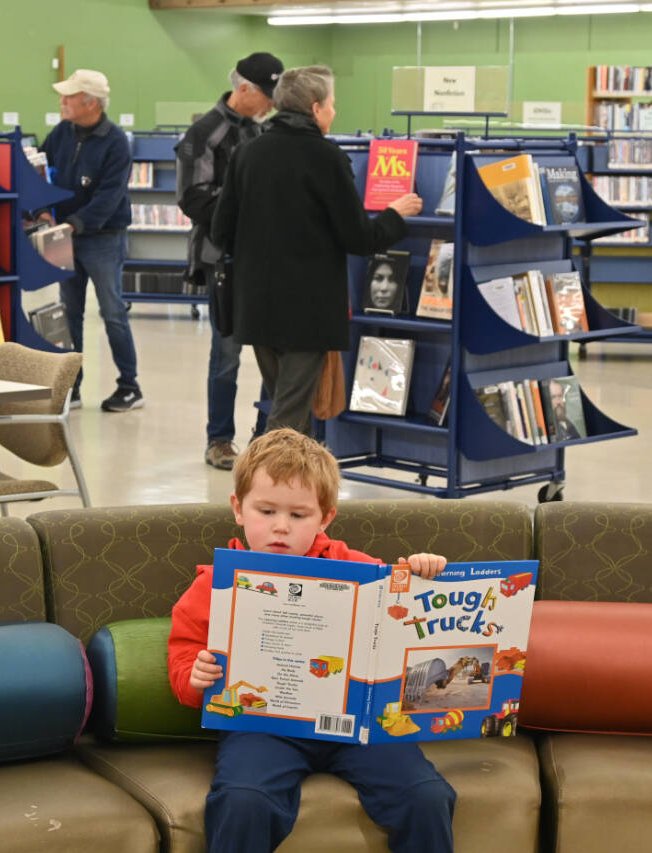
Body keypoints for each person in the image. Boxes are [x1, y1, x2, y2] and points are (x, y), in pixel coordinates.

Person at [166, 428, 457, 853]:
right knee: (243, 801)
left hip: (359, 727)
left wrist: (421, 575)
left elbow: (402, 614)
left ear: (325, 518)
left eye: (299, 516)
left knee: (427, 796)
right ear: (238, 509)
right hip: (261, 727)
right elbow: (184, 655)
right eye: (265, 511)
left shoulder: (357, 568)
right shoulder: (215, 586)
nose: (280, 527)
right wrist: (194, 676)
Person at [211, 66, 422, 435]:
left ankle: (298, 487)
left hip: (256, 304)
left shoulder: (247, 153)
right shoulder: (326, 157)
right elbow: (359, 238)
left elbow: (220, 230)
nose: (334, 112)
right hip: (306, 311)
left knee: (288, 404)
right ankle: (268, 488)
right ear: (315, 107)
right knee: (288, 419)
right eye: (332, 104)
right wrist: (394, 215)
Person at [177, 52, 283, 470]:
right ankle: (219, 439)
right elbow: (192, 198)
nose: (272, 104)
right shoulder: (204, 133)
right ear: (244, 90)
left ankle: (265, 436)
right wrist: (245, 203)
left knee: (272, 353)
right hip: (222, 260)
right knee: (227, 354)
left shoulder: (266, 132)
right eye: (267, 96)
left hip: (266, 258)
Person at [39, 69, 143, 412]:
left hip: (102, 238)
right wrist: (41, 209)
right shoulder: (61, 133)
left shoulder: (115, 141)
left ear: (91, 102)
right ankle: (73, 386)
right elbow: (42, 168)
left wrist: (75, 224)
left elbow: (110, 195)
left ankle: (130, 386)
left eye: (69, 97)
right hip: (65, 237)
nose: (62, 102)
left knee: (113, 311)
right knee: (70, 313)